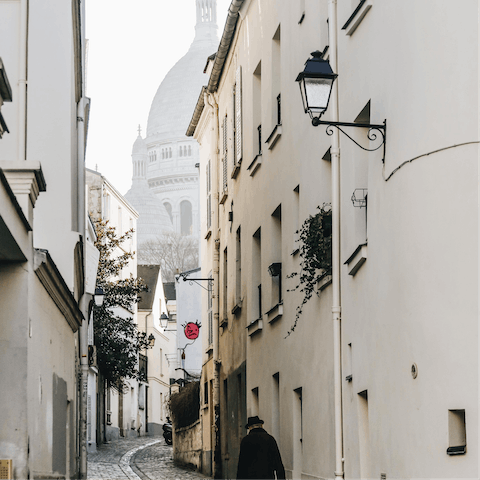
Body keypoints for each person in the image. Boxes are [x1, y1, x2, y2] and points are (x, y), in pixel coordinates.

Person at [236, 416, 285, 480]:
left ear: (250, 427)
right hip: (267, 477)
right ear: (261, 426)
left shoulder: (246, 440)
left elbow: (242, 465)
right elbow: (278, 463)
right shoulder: (270, 439)